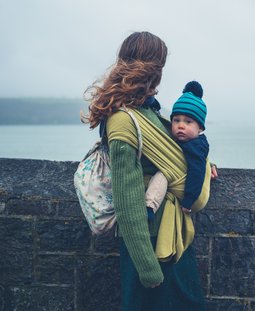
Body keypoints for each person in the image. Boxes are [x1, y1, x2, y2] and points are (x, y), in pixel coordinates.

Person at [81, 31, 217, 310]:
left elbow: (173, 149)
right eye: (160, 67)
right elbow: (128, 200)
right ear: (151, 68)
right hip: (151, 242)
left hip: (172, 233)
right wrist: (146, 265)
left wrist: (204, 165)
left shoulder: (146, 110)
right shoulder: (122, 120)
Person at [145, 80, 210, 220]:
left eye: (188, 122)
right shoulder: (178, 141)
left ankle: (149, 207)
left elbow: (197, 171)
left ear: (200, 128)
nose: (181, 125)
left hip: (185, 185)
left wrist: (189, 200)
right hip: (175, 173)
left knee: (162, 175)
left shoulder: (196, 146)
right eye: (176, 120)